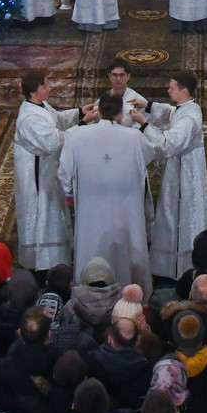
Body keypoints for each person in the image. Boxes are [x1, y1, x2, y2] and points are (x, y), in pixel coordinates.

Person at [59, 92, 156, 293]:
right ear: (121, 112)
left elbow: (64, 173)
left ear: (98, 111)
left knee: (91, 248)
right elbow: (149, 156)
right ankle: (130, 293)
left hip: (90, 207)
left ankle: (88, 292)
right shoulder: (134, 137)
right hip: (124, 208)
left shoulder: (77, 135)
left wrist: (69, 194)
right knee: (126, 251)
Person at [132, 72, 207, 281]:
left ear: (184, 91)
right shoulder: (188, 107)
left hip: (185, 173)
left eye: (172, 87)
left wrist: (144, 124)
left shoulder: (189, 119)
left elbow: (167, 145)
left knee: (179, 212)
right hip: (180, 167)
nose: (168, 90)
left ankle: (182, 266)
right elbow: (171, 112)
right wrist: (147, 106)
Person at [15, 70, 90, 273]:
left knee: (54, 213)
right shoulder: (29, 118)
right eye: (45, 86)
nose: (50, 88)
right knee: (44, 215)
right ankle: (43, 262)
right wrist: (83, 124)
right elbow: (55, 142)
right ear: (33, 91)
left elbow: (58, 119)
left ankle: (56, 258)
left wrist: (81, 112)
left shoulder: (40, 106)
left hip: (48, 171)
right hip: (37, 177)